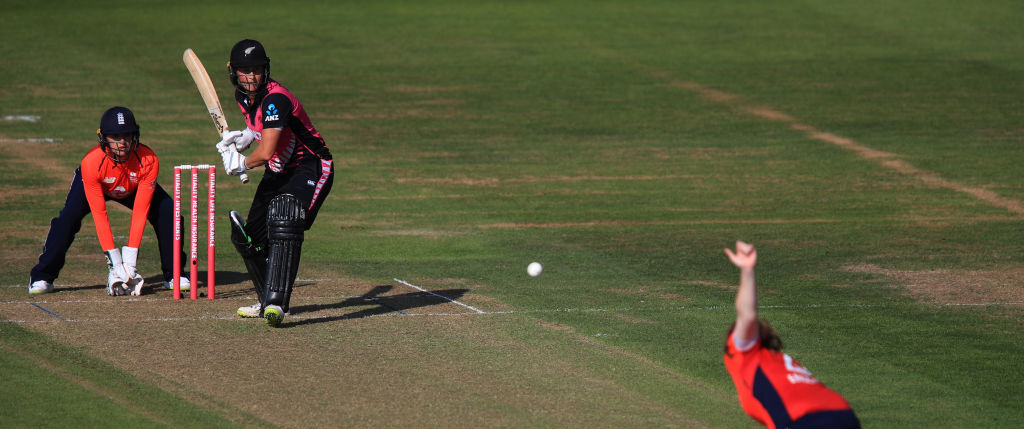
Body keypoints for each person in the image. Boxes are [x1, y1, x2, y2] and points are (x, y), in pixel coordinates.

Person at [216, 39, 334, 326]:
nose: (251, 77)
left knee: (285, 219)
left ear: (265, 69)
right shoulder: (242, 96)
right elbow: (262, 128)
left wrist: (241, 163)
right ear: (234, 72)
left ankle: (277, 303)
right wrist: (245, 136)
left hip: (310, 166)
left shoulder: (276, 98)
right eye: (245, 71)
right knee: (250, 238)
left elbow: (267, 151)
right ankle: (265, 299)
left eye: (257, 70)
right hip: (279, 169)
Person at [29, 106, 188, 296]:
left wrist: (129, 262)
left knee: (169, 212)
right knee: (68, 218)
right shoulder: (92, 162)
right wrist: (115, 262)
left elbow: (140, 211)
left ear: (135, 136)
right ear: (103, 137)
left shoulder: (148, 159)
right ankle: (42, 276)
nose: (122, 142)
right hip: (97, 184)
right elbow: (100, 215)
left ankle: (174, 274)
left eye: (127, 135)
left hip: (132, 185)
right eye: (115, 137)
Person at [723, 241, 860, 429]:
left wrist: (747, 270)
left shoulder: (745, 352)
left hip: (807, 420)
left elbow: (747, 316)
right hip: (843, 414)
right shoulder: (775, 361)